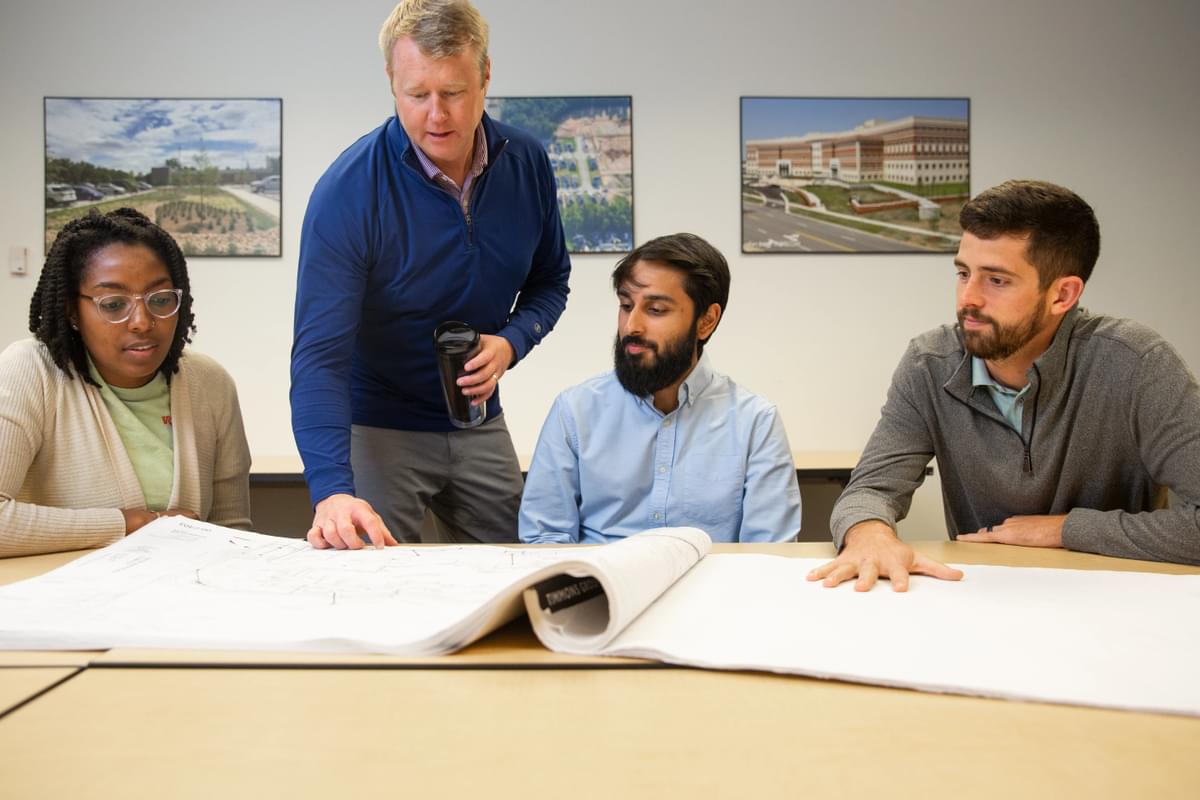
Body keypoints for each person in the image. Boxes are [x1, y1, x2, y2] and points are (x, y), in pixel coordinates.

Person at [810, 179, 1200, 591]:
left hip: (1121, 602)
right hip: (985, 602)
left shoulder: (1137, 363)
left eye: (996, 280)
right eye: (963, 273)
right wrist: (869, 531)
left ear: (1062, 295)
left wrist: (1066, 530)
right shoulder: (930, 363)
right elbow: (870, 488)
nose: (968, 299)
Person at [292, 0, 570, 550]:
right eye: (417, 95)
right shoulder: (347, 192)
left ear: (486, 77)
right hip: (378, 427)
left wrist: (512, 342)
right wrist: (331, 490)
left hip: (478, 422)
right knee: (373, 591)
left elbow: (550, 282)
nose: (436, 116)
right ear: (392, 83)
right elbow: (319, 356)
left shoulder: (528, 163)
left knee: (515, 577)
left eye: (454, 92)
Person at [0, 208, 252, 558]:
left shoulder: (210, 384)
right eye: (114, 304)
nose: (141, 322)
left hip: (181, 602)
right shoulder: (31, 371)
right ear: (73, 311)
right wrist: (131, 524)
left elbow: (233, 532)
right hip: (60, 604)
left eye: (161, 300)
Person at [519, 233, 801, 544]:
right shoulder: (575, 410)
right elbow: (544, 539)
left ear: (706, 321)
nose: (631, 326)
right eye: (627, 305)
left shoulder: (755, 422)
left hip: (712, 590)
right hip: (601, 588)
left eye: (656, 310)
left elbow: (768, 554)